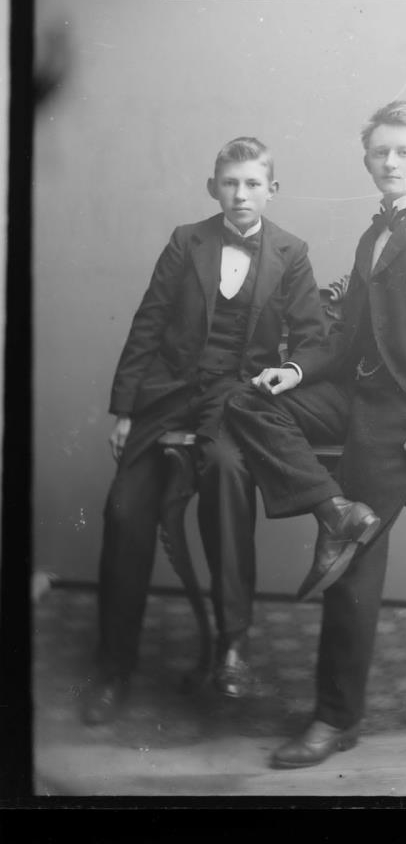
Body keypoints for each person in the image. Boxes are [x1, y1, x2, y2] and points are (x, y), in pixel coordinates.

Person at [227, 99, 406, 768]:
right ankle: (334, 509)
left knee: (351, 565)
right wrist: (295, 371)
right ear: (366, 160)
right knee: (245, 401)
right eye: (380, 151)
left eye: (403, 151)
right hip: (357, 397)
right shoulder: (372, 237)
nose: (390, 161)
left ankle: (336, 719)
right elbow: (345, 338)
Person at [82, 136, 378, 725]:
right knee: (123, 509)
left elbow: (314, 339)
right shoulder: (185, 241)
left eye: (252, 184)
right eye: (230, 183)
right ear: (212, 188)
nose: (240, 195)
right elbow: (148, 325)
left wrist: (290, 372)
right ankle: (113, 668)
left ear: (272, 190)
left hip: (235, 400)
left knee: (226, 472)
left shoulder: (291, 252)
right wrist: (125, 410)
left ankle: (232, 645)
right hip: (168, 395)